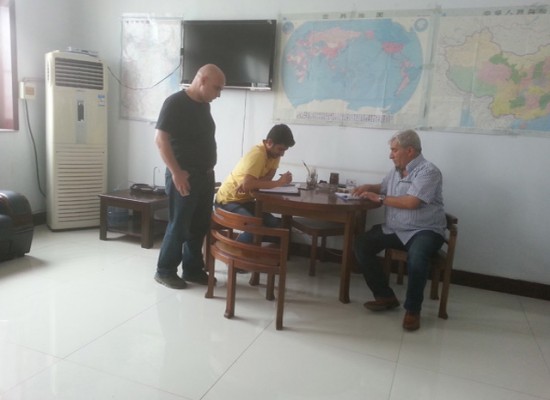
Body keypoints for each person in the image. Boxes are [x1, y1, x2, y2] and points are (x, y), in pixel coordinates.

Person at [352, 129, 446, 331]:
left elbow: (412, 202)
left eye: (394, 150)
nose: (390, 155)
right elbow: (383, 187)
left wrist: (380, 199)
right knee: (362, 243)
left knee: (417, 256)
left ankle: (413, 310)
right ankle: (385, 296)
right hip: (396, 228)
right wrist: (368, 187)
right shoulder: (396, 170)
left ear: (409, 150)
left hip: (424, 230)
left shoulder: (429, 172)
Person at [154, 64, 225, 289]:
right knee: (180, 225)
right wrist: (176, 173)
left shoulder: (204, 105)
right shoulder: (175, 103)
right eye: (217, 88)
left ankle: (192, 269)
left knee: (199, 225)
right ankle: (165, 270)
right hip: (184, 176)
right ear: (202, 80)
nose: (219, 94)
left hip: (205, 176)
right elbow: (161, 140)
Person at [215, 124, 295, 242]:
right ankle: (235, 251)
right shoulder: (258, 154)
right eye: (280, 149)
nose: (282, 154)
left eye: (284, 150)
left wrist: (253, 183)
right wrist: (279, 182)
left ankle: (252, 245)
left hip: (246, 200)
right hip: (228, 201)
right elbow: (249, 185)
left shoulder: (274, 155)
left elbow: (267, 179)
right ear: (269, 142)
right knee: (254, 228)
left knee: (278, 225)